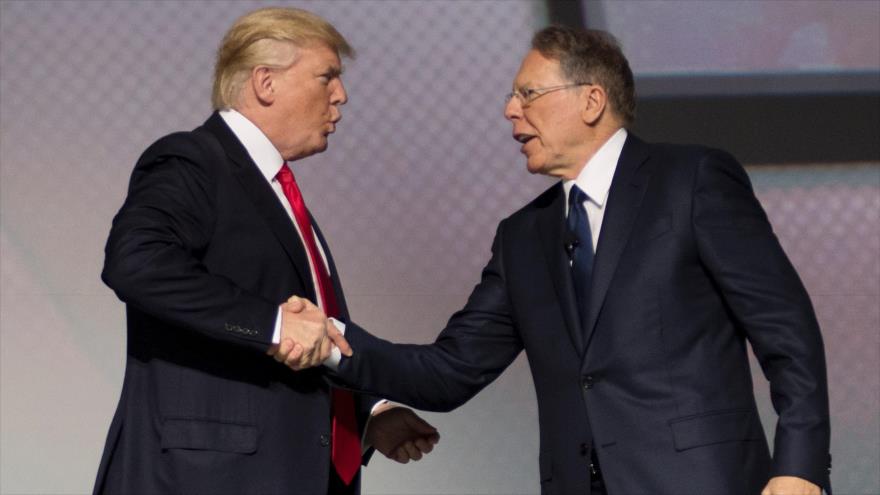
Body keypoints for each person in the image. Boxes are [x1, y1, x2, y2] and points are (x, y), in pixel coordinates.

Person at [291, 26, 832, 495]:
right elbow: (450, 370)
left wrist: (800, 466)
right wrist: (330, 342)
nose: (510, 110)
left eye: (528, 93)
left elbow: (786, 331)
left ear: (591, 101)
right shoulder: (522, 237)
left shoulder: (692, 183)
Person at [93, 7, 438, 495]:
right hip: (207, 481)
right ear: (265, 83)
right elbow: (137, 262)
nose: (341, 95)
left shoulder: (277, 191)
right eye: (327, 76)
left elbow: (306, 337)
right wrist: (272, 324)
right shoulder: (193, 160)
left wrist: (365, 412)